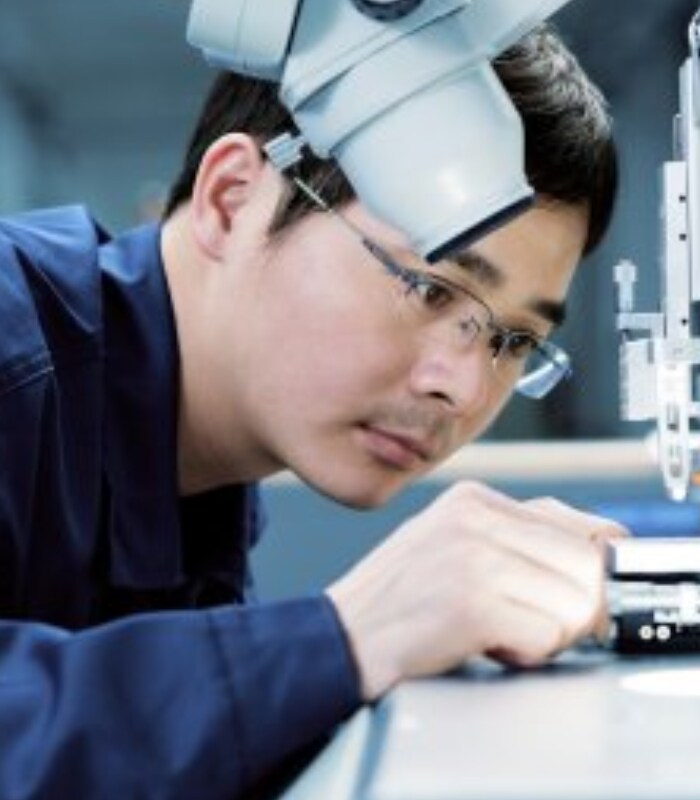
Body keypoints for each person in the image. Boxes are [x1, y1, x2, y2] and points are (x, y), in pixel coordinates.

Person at [0, 23, 622, 800]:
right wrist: (350, 636)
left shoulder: (197, 482)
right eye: (429, 288)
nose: (463, 390)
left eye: (515, 340)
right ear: (231, 202)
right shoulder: (13, 341)